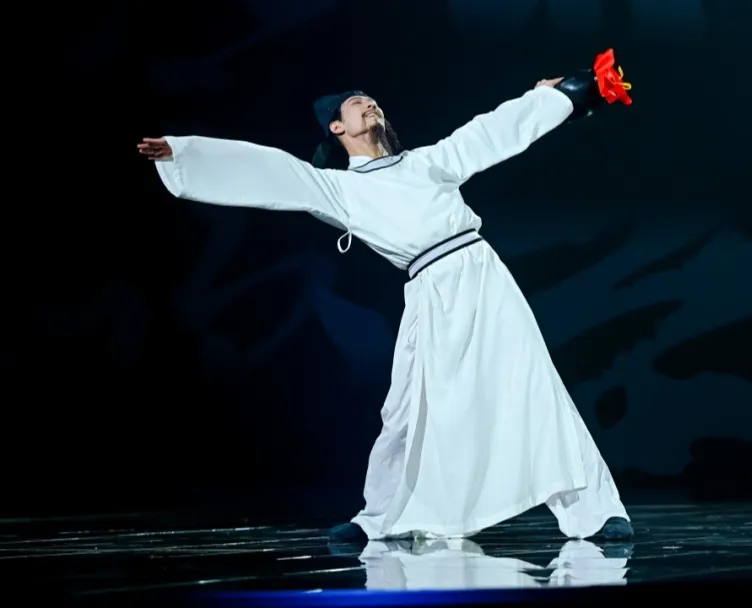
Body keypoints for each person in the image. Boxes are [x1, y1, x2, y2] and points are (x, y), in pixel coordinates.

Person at [138, 75, 634, 542]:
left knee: (534, 384)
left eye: (371, 100)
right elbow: (268, 169)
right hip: (429, 290)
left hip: (481, 274)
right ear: (337, 127)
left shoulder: (425, 163)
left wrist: (549, 98)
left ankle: (597, 512)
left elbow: (490, 133)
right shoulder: (338, 188)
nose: (369, 104)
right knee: (404, 408)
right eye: (357, 103)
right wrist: (185, 153)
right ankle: (378, 519)